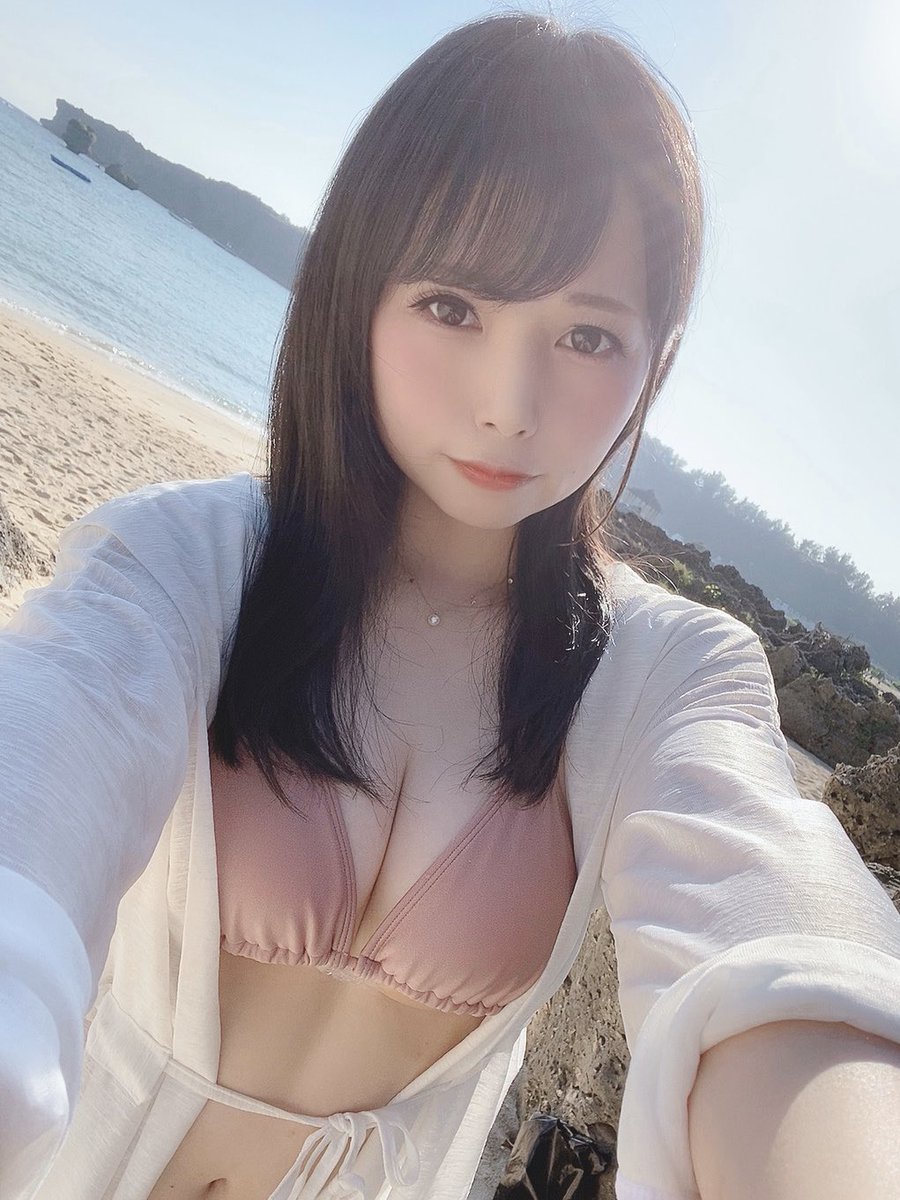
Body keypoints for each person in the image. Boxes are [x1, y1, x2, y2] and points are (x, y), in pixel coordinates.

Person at [1, 11, 899, 1200]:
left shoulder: (664, 674)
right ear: (357, 287)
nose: (508, 404)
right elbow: (40, 765)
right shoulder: (184, 563)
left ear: (658, 362)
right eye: (453, 307)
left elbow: (778, 936)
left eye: (587, 335)